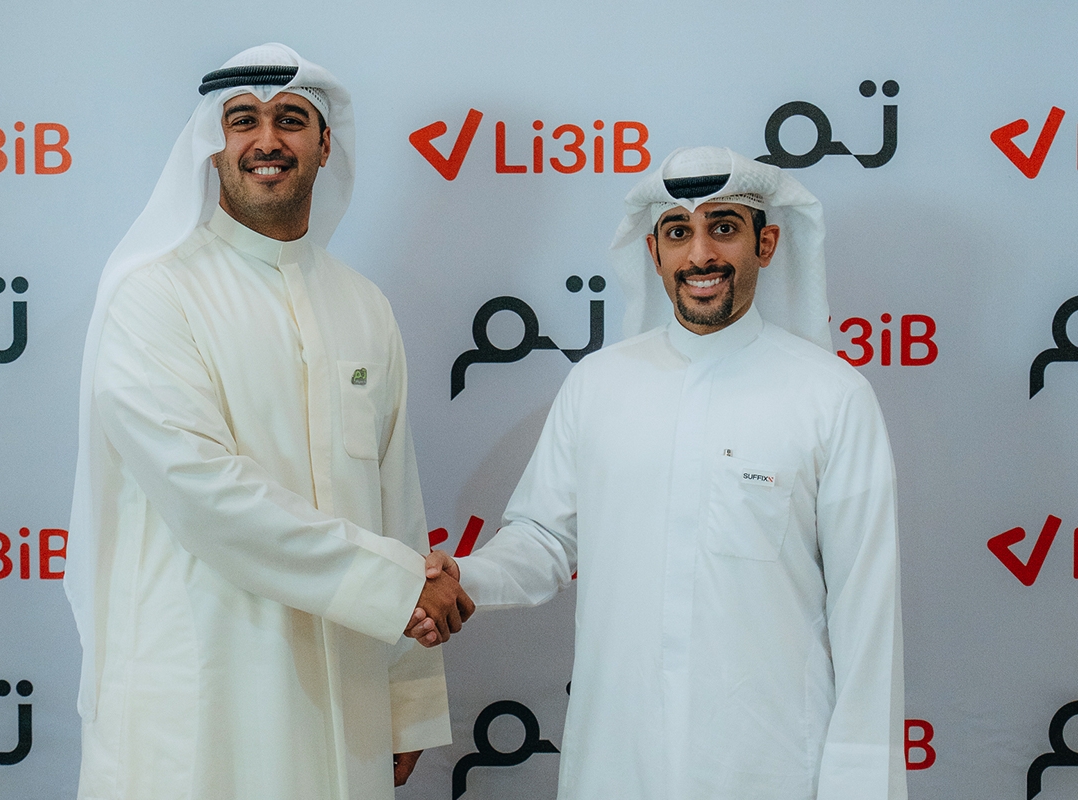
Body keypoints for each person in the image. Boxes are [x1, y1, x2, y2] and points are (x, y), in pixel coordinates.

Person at [412, 147, 906, 799]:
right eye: (678, 231)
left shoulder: (832, 398)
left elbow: (866, 617)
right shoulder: (599, 385)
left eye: (723, 227)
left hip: (768, 767)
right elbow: (544, 539)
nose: (701, 254)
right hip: (619, 761)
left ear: (766, 243)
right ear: (653, 252)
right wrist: (464, 578)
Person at [64, 43, 473, 800]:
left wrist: (406, 702)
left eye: (290, 119)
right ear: (212, 144)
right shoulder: (154, 296)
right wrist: (396, 587)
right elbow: (205, 493)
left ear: (325, 145)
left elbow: (398, 503)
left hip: (342, 692)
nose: (266, 140)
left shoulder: (363, 306)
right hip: (199, 692)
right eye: (242, 120)